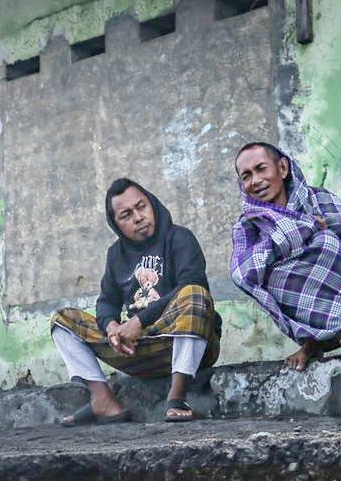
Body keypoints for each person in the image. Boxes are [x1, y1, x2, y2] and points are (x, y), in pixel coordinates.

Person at [50, 177, 222, 425]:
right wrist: (111, 327)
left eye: (141, 206)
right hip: (138, 348)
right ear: (116, 224)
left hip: (187, 343)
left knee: (193, 292)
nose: (138, 217)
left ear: (152, 204)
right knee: (62, 320)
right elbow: (106, 301)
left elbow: (192, 283)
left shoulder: (179, 238)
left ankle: (177, 398)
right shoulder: (116, 254)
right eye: (126, 215)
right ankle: (103, 401)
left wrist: (139, 321)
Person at [230, 142, 341, 370]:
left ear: (282, 168)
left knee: (327, 243)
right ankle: (312, 344)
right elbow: (242, 273)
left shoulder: (318, 200)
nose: (256, 181)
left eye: (261, 168)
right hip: (295, 297)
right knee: (277, 275)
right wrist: (304, 227)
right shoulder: (248, 225)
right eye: (247, 176)